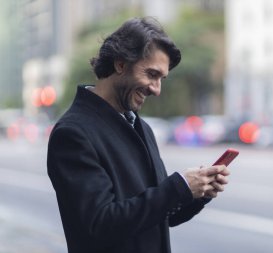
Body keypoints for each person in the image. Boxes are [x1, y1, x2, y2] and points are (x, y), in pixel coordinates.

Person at [47, 17, 230, 253]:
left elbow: (163, 214)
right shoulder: (73, 133)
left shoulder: (142, 127)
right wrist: (179, 187)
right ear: (121, 64)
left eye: (161, 79)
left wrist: (199, 192)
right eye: (152, 74)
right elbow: (100, 224)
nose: (157, 89)